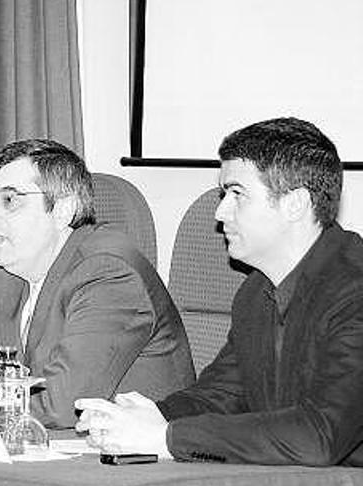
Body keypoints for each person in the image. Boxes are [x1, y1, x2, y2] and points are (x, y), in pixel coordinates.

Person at [76, 117, 363, 466]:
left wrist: (167, 438)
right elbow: (221, 394)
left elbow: (319, 436)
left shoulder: (355, 290)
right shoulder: (256, 293)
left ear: (296, 204)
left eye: (236, 194)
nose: (220, 212)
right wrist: (147, 416)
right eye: (223, 194)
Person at [0, 139, 194, 428]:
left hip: (130, 462)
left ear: (63, 209)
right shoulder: (10, 277)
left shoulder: (108, 274)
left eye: (9, 200)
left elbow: (61, 404)